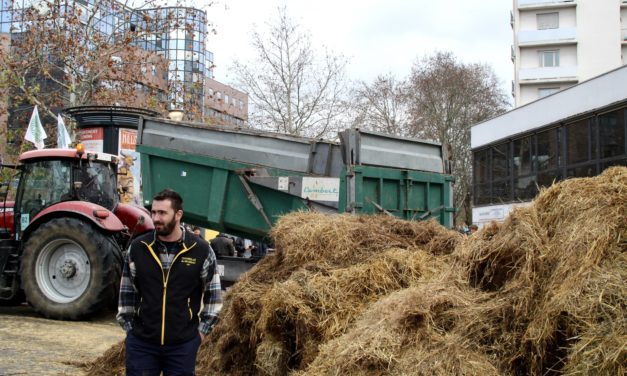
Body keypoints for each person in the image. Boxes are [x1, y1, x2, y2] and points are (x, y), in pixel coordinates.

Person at [116, 189, 222, 376]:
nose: (156, 218)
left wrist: (200, 333)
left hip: (182, 346)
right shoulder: (139, 248)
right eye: (154, 212)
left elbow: (214, 297)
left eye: (162, 213)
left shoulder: (201, 250)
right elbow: (127, 293)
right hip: (142, 345)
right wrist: (130, 330)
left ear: (178, 214)